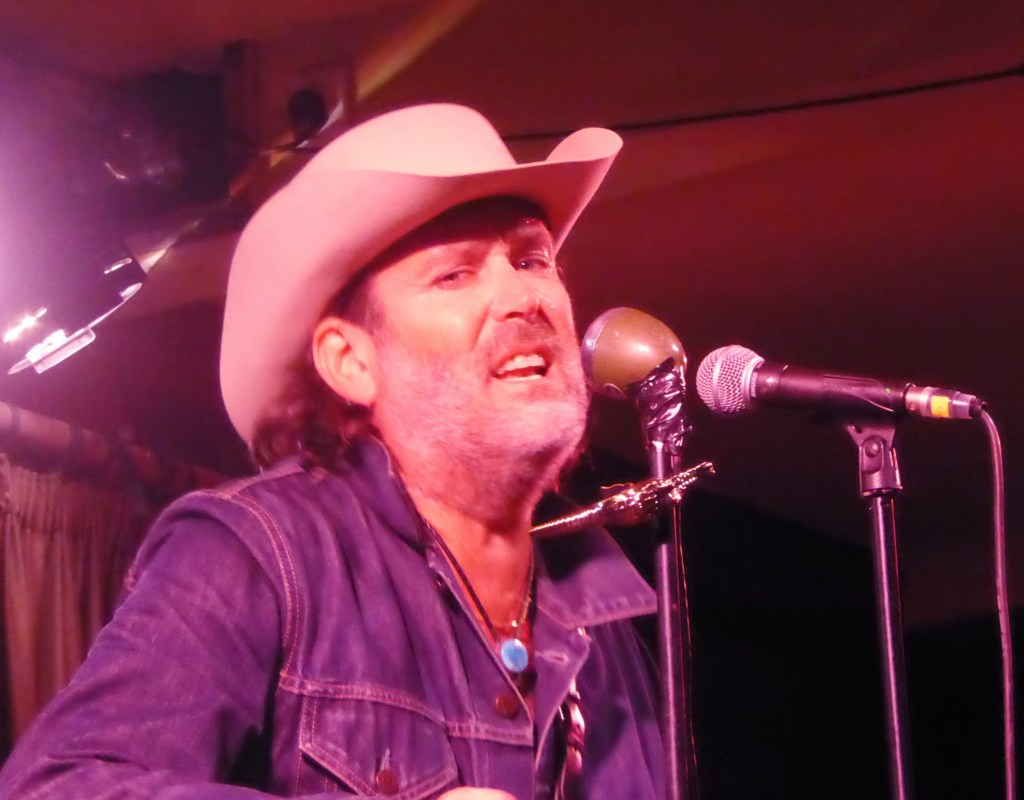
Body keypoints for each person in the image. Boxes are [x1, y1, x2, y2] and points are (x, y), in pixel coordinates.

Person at [0, 104, 664, 799]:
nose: (523, 296)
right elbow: (56, 787)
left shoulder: (606, 608)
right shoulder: (257, 550)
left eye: (532, 260)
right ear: (351, 362)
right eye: (454, 275)